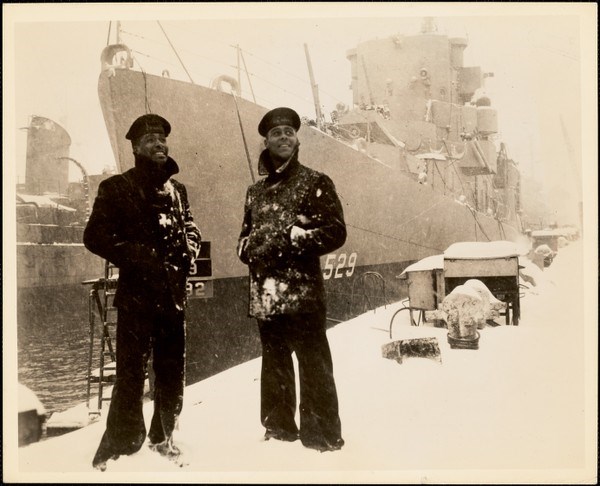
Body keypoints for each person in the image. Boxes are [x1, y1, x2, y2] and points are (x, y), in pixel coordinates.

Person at [84, 114, 201, 470]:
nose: (159, 144)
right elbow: (94, 236)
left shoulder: (177, 191)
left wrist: (189, 248)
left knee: (170, 372)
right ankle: (121, 444)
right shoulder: (116, 187)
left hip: (172, 295)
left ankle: (162, 437)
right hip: (136, 297)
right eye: (150, 139)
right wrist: (135, 255)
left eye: (163, 138)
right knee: (130, 372)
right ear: (135, 147)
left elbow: (191, 227)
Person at [237, 107, 347, 452]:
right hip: (267, 296)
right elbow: (244, 240)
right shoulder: (254, 192)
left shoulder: (315, 182)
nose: (284, 137)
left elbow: (335, 232)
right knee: (275, 366)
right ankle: (279, 429)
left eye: (289, 132)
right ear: (266, 142)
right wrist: (250, 247)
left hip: (302, 294)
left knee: (314, 366)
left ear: (297, 139)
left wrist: (294, 238)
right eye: (276, 133)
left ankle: (322, 437)